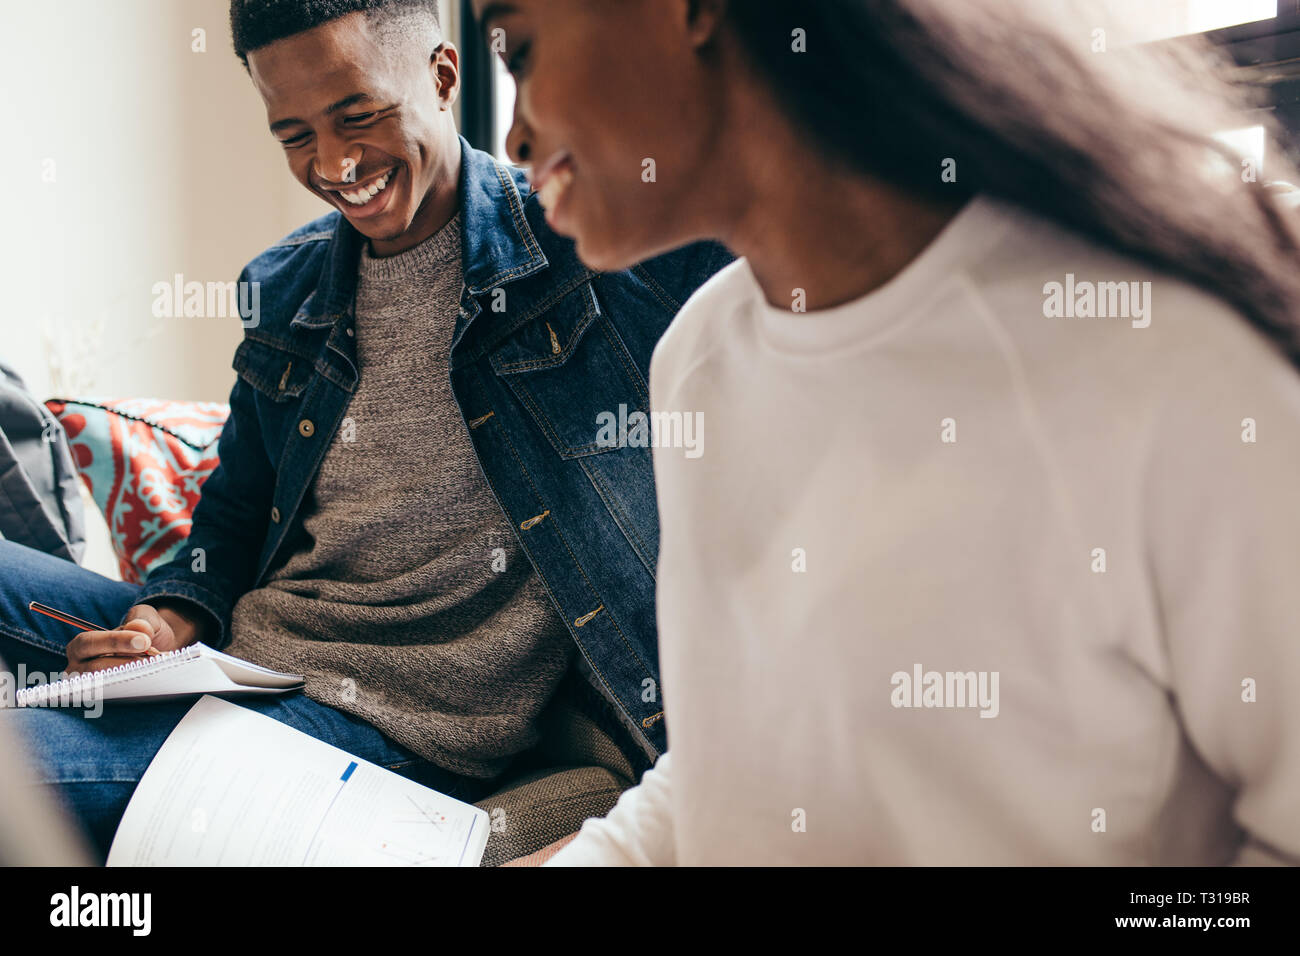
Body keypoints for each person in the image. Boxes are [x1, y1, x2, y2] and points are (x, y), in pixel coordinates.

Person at [468, 0, 1300, 864]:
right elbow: (736, 769)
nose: (516, 140)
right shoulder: (696, 363)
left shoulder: (1167, 356)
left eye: (519, 51)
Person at [0, 0, 730, 861]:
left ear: (443, 76)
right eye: (294, 135)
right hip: (246, 657)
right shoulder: (289, 287)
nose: (335, 163)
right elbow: (231, 520)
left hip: (391, 725)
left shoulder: (591, 252)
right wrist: (168, 619)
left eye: (360, 116)